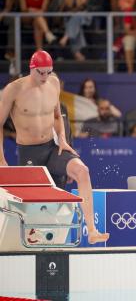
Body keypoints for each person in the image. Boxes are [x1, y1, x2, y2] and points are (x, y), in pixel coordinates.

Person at [0, 50, 109, 244]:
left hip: (53, 147)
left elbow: (58, 116)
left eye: (48, 72)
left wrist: (62, 138)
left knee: (82, 171)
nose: (44, 77)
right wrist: (1, 158)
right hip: (30, 152)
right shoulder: (14, 89)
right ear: (31, 69)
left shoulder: (54, 83)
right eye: (40, 72)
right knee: (34, 206)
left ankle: (92, 230)